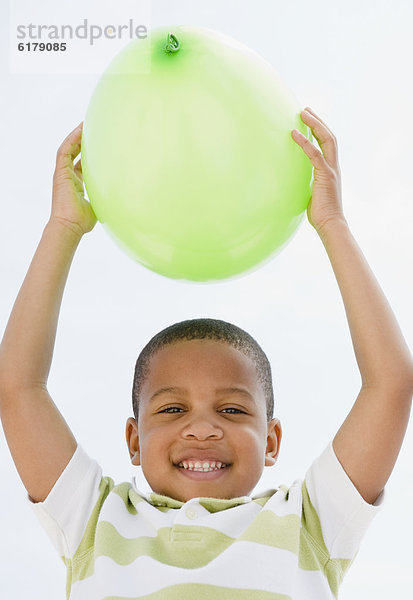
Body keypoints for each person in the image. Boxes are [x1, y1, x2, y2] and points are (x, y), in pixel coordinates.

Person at [0, 108, 412, 600]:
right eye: (172, 408)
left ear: (272, 439)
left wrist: (332, 223)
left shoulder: (309, 524)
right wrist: (63, 227)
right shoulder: (93, 518)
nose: (202, 428)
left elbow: (390, 384)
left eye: (233, 409)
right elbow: (18, 387)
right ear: (133, 438)